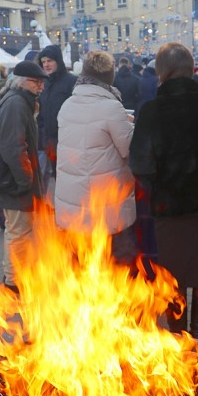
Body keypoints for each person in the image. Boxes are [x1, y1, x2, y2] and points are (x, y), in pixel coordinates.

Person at [129, 42, 198, 341]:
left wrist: (161, 187)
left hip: (171, 211)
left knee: (172, 280)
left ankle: (179, 341)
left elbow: (140, 165)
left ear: (161, 73)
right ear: (192, 70)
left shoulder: (152, 111)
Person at [55, 50, 137, 266]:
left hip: (72, 207)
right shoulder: (112, 108)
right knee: (114, 270)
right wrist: (130, 125)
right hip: (106, 206)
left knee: (82, 270)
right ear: (110, 77)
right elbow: (130, 149)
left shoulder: (67, 106)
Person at [0, 61, 47, 294]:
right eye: (36, 82)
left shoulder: (19, 100)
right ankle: (13, 283)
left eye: (42, 82)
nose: (40, 86)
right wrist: (26, 179)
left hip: (14, 180)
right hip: (14, 182)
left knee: (19, 231)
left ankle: (18, 275)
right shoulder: (16, 104)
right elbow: (13, 147)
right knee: (18, 232)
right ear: (21, 80)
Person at [37, 45, 77, 181]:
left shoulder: (71, 81)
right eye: (44, 62)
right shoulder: (45, 83)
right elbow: (42, 112)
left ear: (58, 61)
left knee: (70, 179)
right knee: (56, 178)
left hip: (68, 142)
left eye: (49, 61)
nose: (46, 65)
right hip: (50, 141)